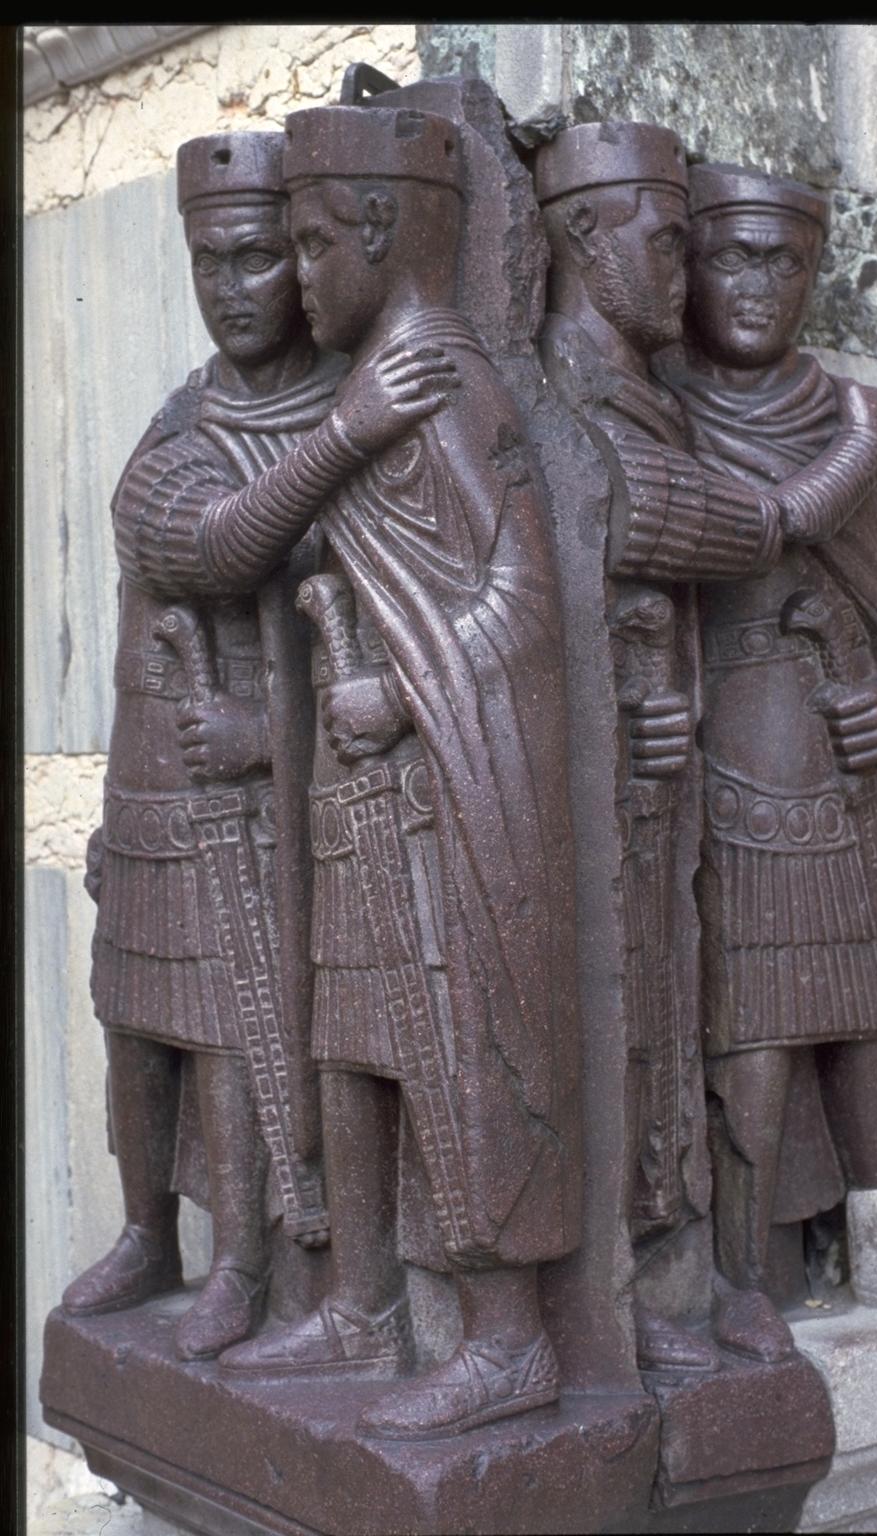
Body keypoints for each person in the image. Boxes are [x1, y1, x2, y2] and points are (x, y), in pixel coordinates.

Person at [161, 102, 584, 1441]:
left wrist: (399, 691)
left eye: (306, 244)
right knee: (352, 1055)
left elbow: (522, 597)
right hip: (364, 800)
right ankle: (359, 1306)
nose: (292, 278)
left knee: (459, 1054)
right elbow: (235, 548)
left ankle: (508, 1341)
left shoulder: (443, 383)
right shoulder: (375, 387)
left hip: (442, 794)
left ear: (381, 231)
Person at [63, 131, 351, 1360]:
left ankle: (242, 1260)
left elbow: (366, 620)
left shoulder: (343, 413)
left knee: (233, 1026)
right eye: (209, 263)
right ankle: (149, 1233)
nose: (232, 288)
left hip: (259, 793)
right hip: (153, 776)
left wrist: (272, 731)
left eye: (257, 257)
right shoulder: (185, 419)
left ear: (304, 260)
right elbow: (198, 549)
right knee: (134, 1021)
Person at [656, 163, 877, 1335]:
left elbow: (871, 599)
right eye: (730, 257)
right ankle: (740, 1268)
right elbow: (672, 565)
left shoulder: (841, 412)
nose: (756, 285)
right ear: (686, 266)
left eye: (784, 263)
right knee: (751, 1034)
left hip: (834, 761)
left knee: (870, 1011)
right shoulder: (657, 409)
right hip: (722, 767)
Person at [535, 122, 797, 1368]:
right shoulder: (561, 391)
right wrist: (805, 488)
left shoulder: (636, 391)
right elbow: (638, 516)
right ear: (584, 237)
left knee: (653, 1023)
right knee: (610, 1027)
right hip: (586, 792)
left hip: (654, 792)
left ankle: (656, 1279)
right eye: (668, 243)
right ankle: (614, 1295)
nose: (685, 274)